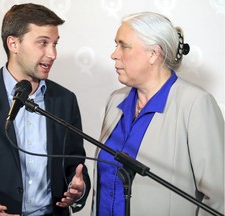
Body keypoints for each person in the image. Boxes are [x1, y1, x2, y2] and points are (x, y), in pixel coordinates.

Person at [0, 3, 91, 216]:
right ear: (13, 43)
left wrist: (79, 188)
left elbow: (74, 165)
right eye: (43, 43)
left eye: (55, 44)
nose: (52, 54)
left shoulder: (65, 100)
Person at [92, 12, 224, 216]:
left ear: (154, 53)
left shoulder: (196, 104)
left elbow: (219, 197)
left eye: (123, 46)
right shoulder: (116, 100)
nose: (114, 54)